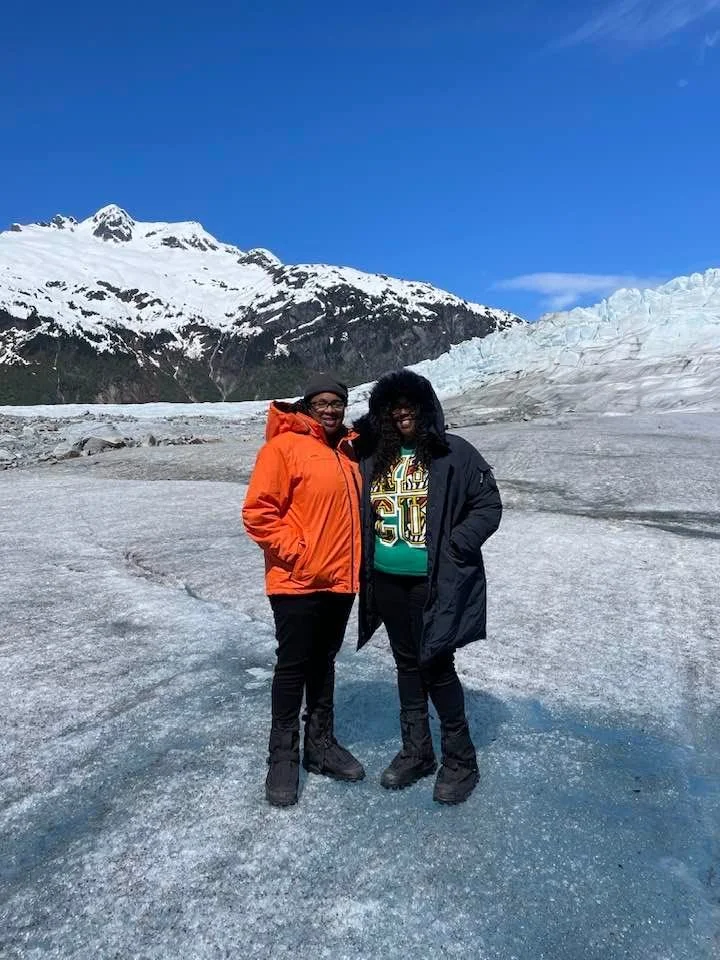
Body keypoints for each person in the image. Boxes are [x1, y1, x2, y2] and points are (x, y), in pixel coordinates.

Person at [354, 369, 502, 805]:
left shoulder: (453, 453)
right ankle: (417, 751)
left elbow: (488, 504)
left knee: (436, 663)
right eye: (391, 405)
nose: (401, 411)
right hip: (387, 580)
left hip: (433, 581)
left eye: (410, 404)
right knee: (405, 663)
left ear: (426, 408)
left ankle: (461, 760)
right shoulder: (373, 455)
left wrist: (456, 544)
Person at [242, 374, 365, 807]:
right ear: (307, 405)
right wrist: (298, 553)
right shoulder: (283, 448)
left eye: (338, 403)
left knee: (324, 660)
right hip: (297, 580)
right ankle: (282, 756)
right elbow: (258, 513)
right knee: (293, 664)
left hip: (340, 579)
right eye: (323, 403)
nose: (331, 410)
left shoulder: (348, 454)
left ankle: (320, 745)